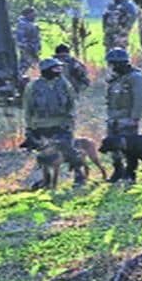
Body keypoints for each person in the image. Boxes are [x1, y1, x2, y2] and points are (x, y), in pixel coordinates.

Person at [23, 58, 85, 187]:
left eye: (60, 68)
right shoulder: (33, 86)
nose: (59, 71)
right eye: (56, 68)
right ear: (46, 70)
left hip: (61, 124)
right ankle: (46, 181)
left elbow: (72, 102)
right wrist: (29, 127)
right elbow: (27, 108)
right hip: (40, 126)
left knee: (70, 151)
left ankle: (79, 176)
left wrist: (71, 119)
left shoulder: (64, 84)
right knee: (44, 155)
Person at [104, 47, 142, 181]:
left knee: (130, 147)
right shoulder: (115, 79)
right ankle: (118, 170)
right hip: (113, 118)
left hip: (127, 118)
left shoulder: (135, 78)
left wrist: (135, 117)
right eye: (111, 64)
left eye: (115, 64)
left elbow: (139, 98)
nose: (113, 67)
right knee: (112, 146)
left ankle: (131, 173)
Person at [15, 7, 41, 77]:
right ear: (28, 14)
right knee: (25, 66)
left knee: (35, 67)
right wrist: (27, 47)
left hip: (33, 49)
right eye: (33, 14)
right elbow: (20, 39)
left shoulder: (31, 24)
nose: (35, 16)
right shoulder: (22, 24)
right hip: (28, 50)